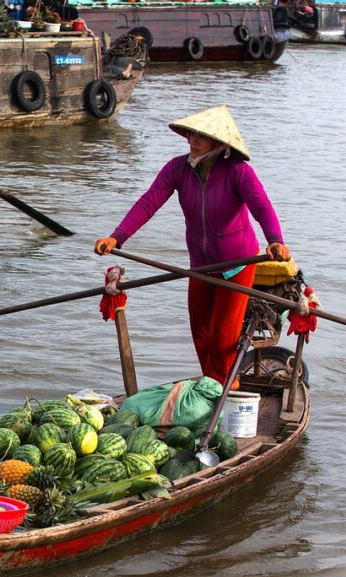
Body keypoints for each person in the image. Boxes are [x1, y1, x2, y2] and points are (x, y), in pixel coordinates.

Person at [94, 105, 291, 388]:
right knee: (200, 333)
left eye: (201, 136)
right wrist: (117, 237)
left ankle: (223, 391)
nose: (193, 141)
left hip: (236, 265)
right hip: (201, 266)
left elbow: (261, 205)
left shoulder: (238, 172)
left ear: (219, 144)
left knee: (223, 338)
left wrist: (275, 240)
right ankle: (216, 385)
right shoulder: (178, 168)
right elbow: (149, 202)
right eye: (191, 135)